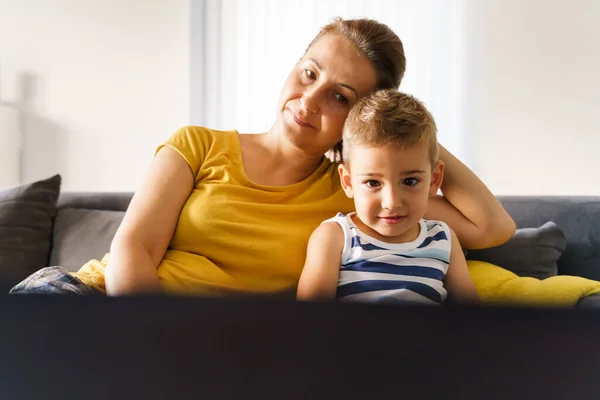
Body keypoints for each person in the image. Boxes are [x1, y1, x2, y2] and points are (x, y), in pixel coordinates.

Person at [9, 17, 515, 296]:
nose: (309, 100)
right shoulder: (197, 145)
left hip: (219, 350)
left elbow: (492, 227)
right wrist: (156, 342)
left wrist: (394, 128)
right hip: (96, 302)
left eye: (341, 98)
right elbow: (132, 253)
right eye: (309, 72)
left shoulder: (353, 197)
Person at [297, 89, 480, 305]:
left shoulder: (443, 238)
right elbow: (308, 322)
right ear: (348, 182)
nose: (392, 202)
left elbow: (473, 321)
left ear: (434, 179)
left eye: (410, 181)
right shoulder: (336, 237)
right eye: (373, 183)